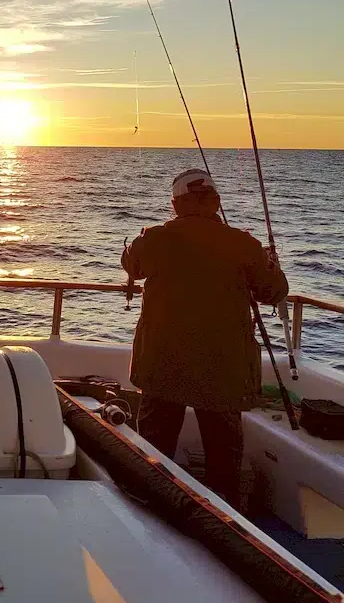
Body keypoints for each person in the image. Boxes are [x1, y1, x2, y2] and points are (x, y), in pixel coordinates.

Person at [121, 168, 288, 508]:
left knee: (153, 450)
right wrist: (271, 263)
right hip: (224, 370)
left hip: (162, 364)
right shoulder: (244, 244)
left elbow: (132, 265)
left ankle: (148, 510)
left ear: (176, 204)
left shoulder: (155, 238)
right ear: (215, 202)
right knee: (224, 457)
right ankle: (224, 520)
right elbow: (274, 291)